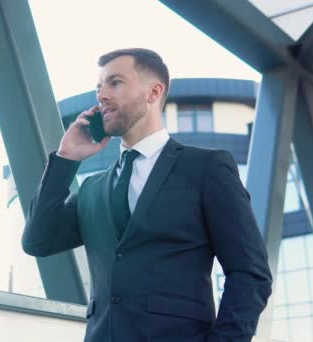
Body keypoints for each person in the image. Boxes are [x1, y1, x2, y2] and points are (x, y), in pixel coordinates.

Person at [22, 48, 273, 341]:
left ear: (154, 92)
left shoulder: (206, 168)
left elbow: (250, 273)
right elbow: (37, 241)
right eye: (98, 87)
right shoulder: (93, 189)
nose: (101, 95)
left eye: (114, 83)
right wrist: (66, 158)